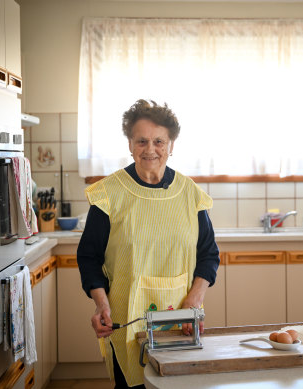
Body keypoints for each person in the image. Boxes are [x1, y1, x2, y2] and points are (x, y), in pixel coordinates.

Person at [77, 99, 220, 388]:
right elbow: (89, 257)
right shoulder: (109, 194)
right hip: (125, 322)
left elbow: (208, 254)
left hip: (179, 320)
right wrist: (100, 304)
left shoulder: (190, 194)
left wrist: (195, 300)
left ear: (171, 145)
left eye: (159, 141)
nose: (150, 149)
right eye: (141, 141)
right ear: (130, 144)